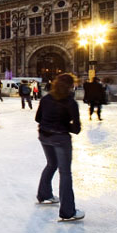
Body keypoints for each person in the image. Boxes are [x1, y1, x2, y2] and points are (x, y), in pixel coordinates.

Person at [35, 73, 84, 222]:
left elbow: (38, 118)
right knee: (65, 173)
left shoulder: (46, 98)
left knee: (51, 164)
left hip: (44, 136)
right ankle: (68, 211)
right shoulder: (70, 102)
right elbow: (76, 129)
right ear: (70, 86)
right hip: (60, 139)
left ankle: (44, 195)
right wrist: (64, 124)